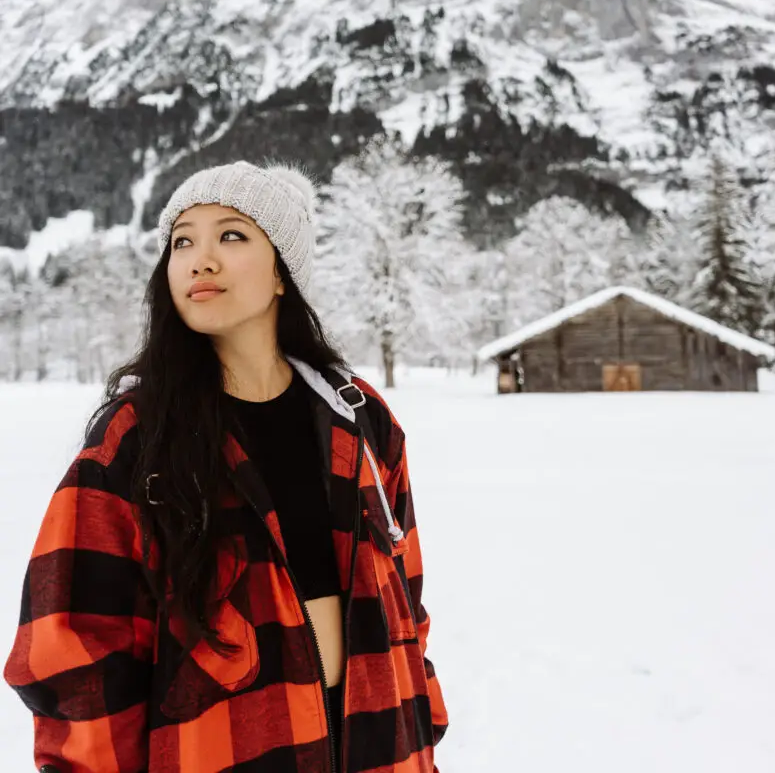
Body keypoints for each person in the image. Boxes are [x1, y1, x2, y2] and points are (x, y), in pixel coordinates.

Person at [4, 159, 449, 773]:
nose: (199, 259)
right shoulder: (137, 440)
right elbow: (72, 651)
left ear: (282, 275)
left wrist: (422, 708)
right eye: (182, 241)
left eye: (231, 235)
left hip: (381, 744)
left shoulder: (359, 417)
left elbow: (406, 589)